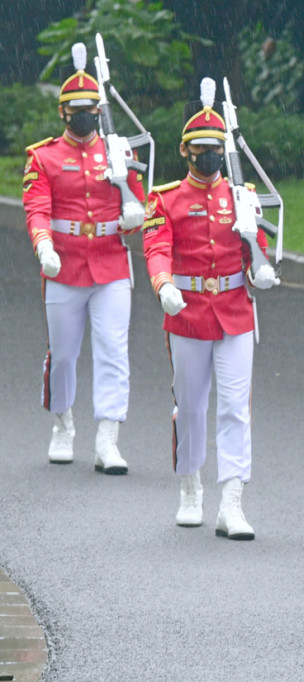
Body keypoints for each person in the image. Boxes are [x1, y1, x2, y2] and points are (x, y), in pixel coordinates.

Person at [142, 78, 280, 539]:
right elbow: (157, 247)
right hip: (187, 312)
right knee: (191, 404)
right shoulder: (166, 198)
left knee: (236, 408)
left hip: (235, 311)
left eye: (215, 148)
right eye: (201, 148)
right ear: (185, 151)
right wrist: (163, 285)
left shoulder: (241, 196)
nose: (209, 156)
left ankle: (232, 503)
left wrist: (260, 263)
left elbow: (255, 247)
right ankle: (190, 486)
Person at [22, 42, 145, 473]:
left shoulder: (119, 153)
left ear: (99, 109)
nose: (84, 115)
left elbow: (138, 212)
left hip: (110, 264)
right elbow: (37, 208)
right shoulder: (44, 157)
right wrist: (43, 246)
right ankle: (63, 422)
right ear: (63, 113)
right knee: (64, 352)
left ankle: (108, 439)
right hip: (65, 264)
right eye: (75, 109)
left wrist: (133, 211)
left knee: (113, 349)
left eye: (90, 108)